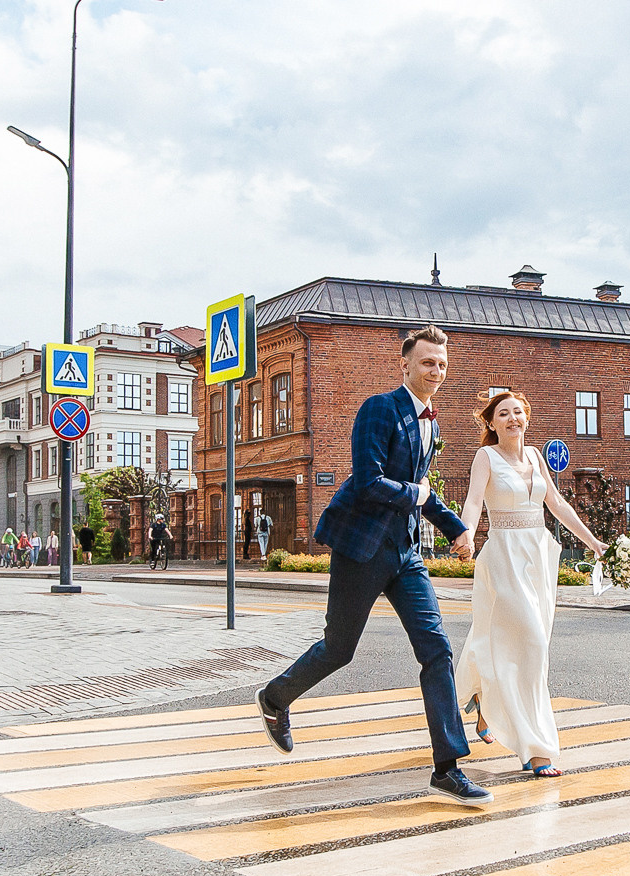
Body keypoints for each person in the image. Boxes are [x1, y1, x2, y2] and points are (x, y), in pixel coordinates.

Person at [255, 325, 490, 806]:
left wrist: (457, 529)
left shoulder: (432, 424)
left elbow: (421, 490)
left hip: (406, 553)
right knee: (339, 649)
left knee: (437, 650)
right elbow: (368, 481)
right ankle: (275, 698)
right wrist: (417, 494)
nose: (436, 371)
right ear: (405, 364)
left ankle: (447, 768)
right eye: (428, 362)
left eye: (442, 364)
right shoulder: (379, 408)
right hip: (361, 547)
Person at [459, 390, 605, 778]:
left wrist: (594, 543)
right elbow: (473, 502)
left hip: (538, 556)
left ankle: (485, 699)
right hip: (504, 556)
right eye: (503, 414)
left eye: (518, 412)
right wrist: (467, 534)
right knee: (533, 646)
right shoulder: (485, 457)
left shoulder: (537, 456)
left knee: (520, 641)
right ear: (492, 423)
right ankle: (535, 748)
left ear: (526, 418)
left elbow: (556, 504)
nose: (512, 419)